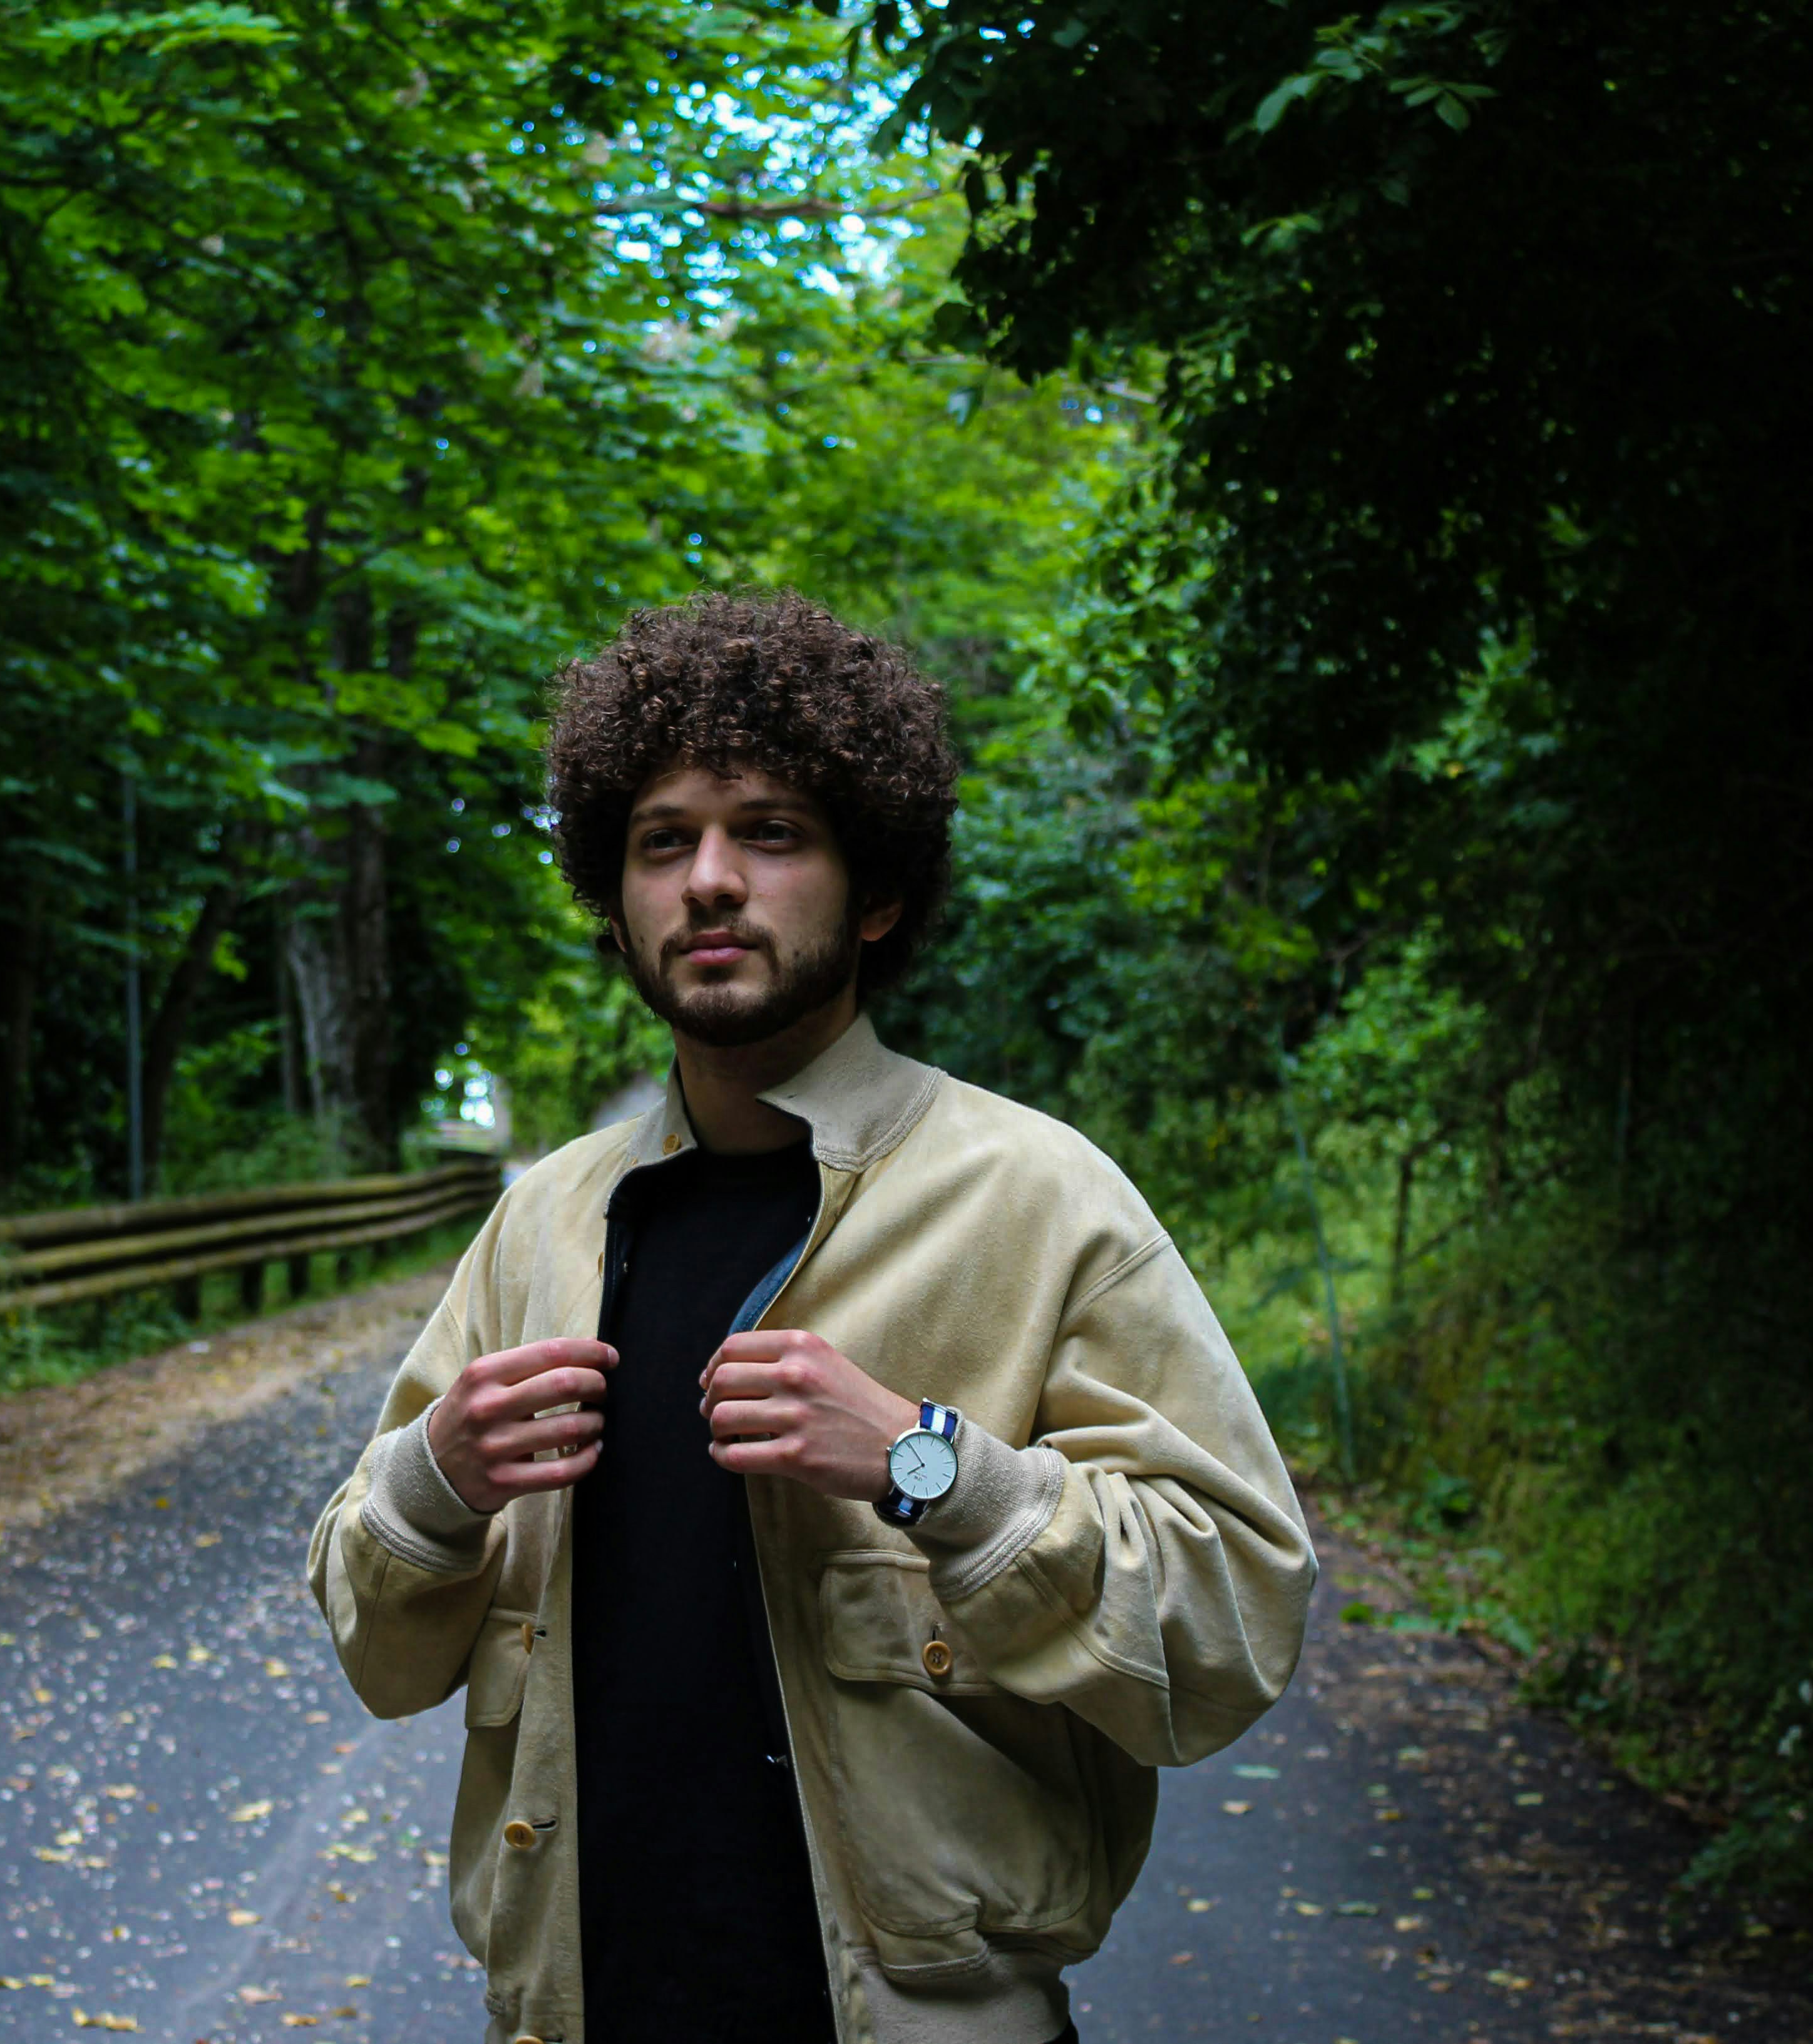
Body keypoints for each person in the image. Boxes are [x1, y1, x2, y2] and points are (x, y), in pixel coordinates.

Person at [307, 590, 1316, 2044]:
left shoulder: (1036, 1198)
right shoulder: (541, 1226)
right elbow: (378, 1651)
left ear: (877, 892)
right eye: (664, 841)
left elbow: (1234, 1626)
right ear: (616, 898)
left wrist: (932, 1466)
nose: (710, 881)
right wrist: (435, 1479)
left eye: (770, 833)